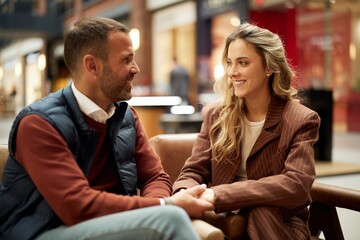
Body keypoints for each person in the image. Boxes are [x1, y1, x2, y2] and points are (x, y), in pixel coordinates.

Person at [0, 16, 214, 240]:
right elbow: (76, 206)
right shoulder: (39, 123)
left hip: (110, 225)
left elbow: (155, 178)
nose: (136, 68)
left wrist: (158, 205)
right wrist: (165, 205)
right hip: (41, 231)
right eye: (126, 60)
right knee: (170, 219)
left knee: (168, 216)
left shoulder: (125, 116)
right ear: (92, 65)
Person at [173, 22, 321, 239]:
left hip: (280, 223)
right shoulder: (216, 114)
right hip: (224, 220)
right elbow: (193, 172)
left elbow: (296, 184)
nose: (232, 72)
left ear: (269, 67)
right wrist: (185, 194)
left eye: (243, 63)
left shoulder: (301, 119)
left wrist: (216, 194)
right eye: (230, 63)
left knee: (260, 211)